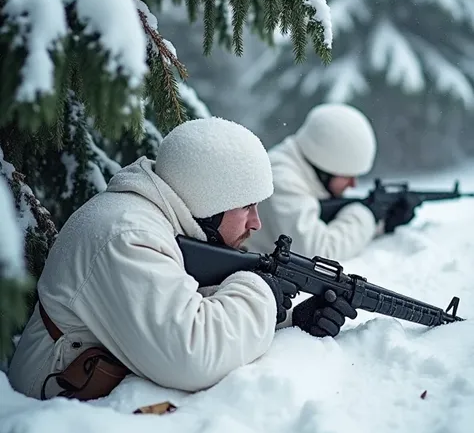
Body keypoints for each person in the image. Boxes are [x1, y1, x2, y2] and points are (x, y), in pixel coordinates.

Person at [8, 117, 356, 401]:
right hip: (49, 413)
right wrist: (260, 292)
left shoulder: (151, 220)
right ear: (209, 201)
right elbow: (191, 354)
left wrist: (288, 320)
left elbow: (177, 305)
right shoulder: (129, 237)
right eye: (247, 206)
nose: (256, 222)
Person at [252, 104, 417, 262]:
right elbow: (320, 252)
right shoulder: (283, 179)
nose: (353, 184)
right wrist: (366, 215)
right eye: (347, 176)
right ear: (325, 168)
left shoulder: (303, 167)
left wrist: (381, 222)